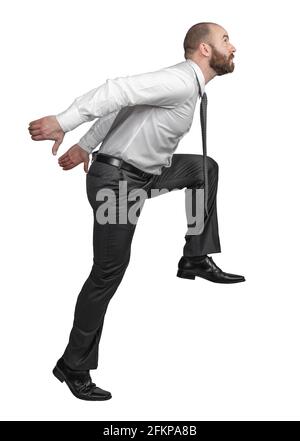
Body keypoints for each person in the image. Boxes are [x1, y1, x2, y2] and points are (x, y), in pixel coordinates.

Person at [28, 22, 245, 401]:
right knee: (109, 271)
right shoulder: (180, 80)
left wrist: (86, 145)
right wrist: (64, 123)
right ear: (205, 51)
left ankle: (195, 257)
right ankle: (73, 365)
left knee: (203, 170)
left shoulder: (187, 87)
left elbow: (127, 106)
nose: (234, 46)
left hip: (144, 177)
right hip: (118, 185)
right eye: (225, 40)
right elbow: (118, 90)